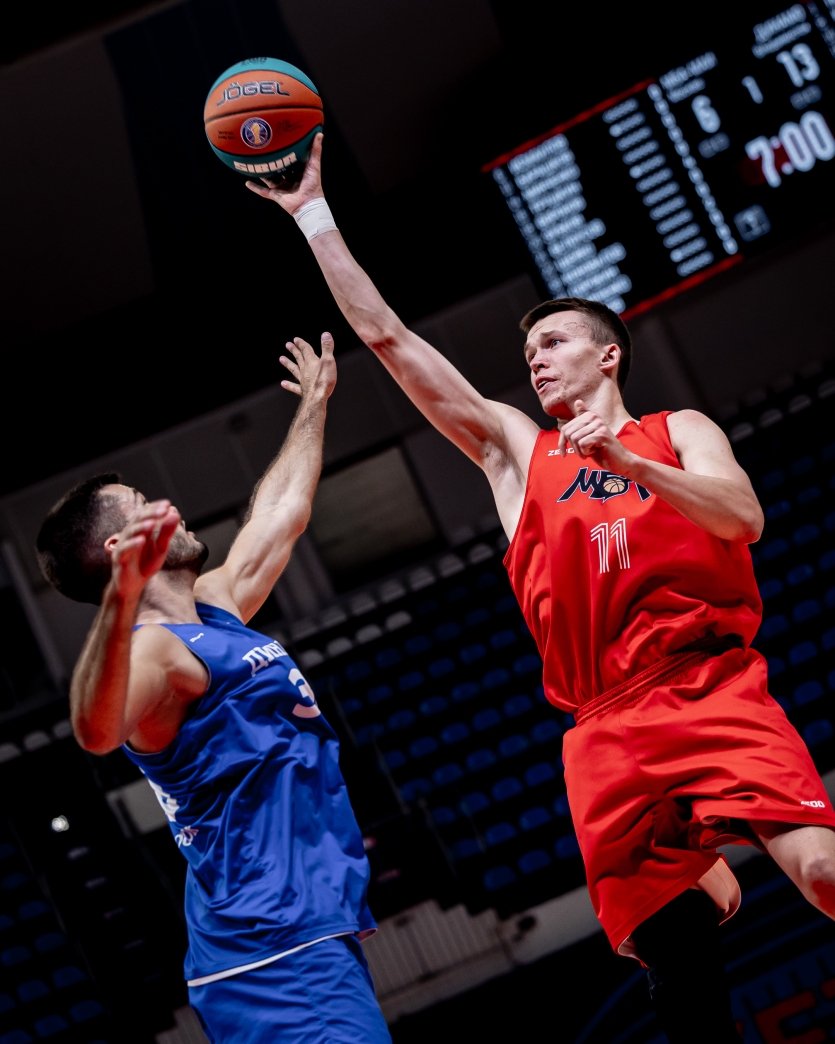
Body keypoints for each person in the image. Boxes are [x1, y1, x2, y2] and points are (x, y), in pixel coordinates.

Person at [246, 135, 835, 1043]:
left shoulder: (676, 429)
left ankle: (711, 859)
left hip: (706, 688)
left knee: (821, 875)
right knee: (673, 964)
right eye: (528, 350)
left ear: (608, 357)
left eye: (553, 342)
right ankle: (696, 881)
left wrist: (635, 470)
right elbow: (389, 338)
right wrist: (313, 215)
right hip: (604, 728)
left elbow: (743, 517)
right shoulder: (518, 453)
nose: (535, 359)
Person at [35, 334, 391, 1044]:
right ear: (120, 548)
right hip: (274, 947)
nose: (170, 506)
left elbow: (281, 514)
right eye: (144, 504)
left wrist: (314, 404)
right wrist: (120, 599)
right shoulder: (154, 652)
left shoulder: (214, 608)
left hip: (295, 936)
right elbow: (96, 732)